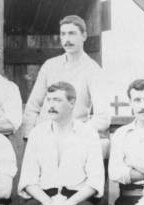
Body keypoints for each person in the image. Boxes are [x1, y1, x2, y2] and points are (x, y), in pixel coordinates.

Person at [22, 15, 110, 143]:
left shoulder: (93, 71)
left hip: (73, 140)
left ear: (84, 36)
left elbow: (103, 117)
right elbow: (33, 106)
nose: (67, 39)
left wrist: (77, 135)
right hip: (44, 137)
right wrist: (30, 136)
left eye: (72, 33)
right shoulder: (50, 65)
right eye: (63, 34)